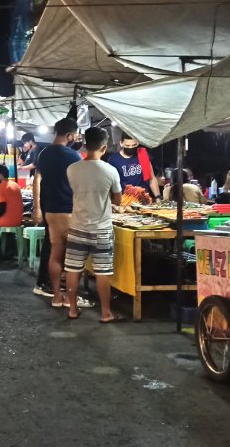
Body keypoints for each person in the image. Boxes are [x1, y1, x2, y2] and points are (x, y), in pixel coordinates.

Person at [64, 127, 123, 322]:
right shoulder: (111, 171)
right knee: (102, 272)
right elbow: (118, 200)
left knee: (73, 269)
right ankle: (106, 313)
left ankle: (72, 309)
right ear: (104, 147)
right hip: (102, 229)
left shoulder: (72, 169)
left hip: (77, 227)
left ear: (84, 144)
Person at [32, 118, 81, 307]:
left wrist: (37, 208)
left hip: (49, 209)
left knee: (54, 251)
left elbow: (37, 180)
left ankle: (54, 293)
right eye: (75, 135)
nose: (75, 138)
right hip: (67, 209)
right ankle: (70, 298)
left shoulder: (43, 154)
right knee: (72, 257)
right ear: (69, 135)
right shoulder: (73, 156)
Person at [104, 133, 160, 198]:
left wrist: (158, 197)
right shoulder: (113, 160)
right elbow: (110, 184)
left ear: (137, 143)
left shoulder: (143, 154)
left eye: (134, 145)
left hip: (144, 198)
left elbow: (152, 178)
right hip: (125, 200)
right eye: (127, 146)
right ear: (121, 143)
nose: (131, 148)